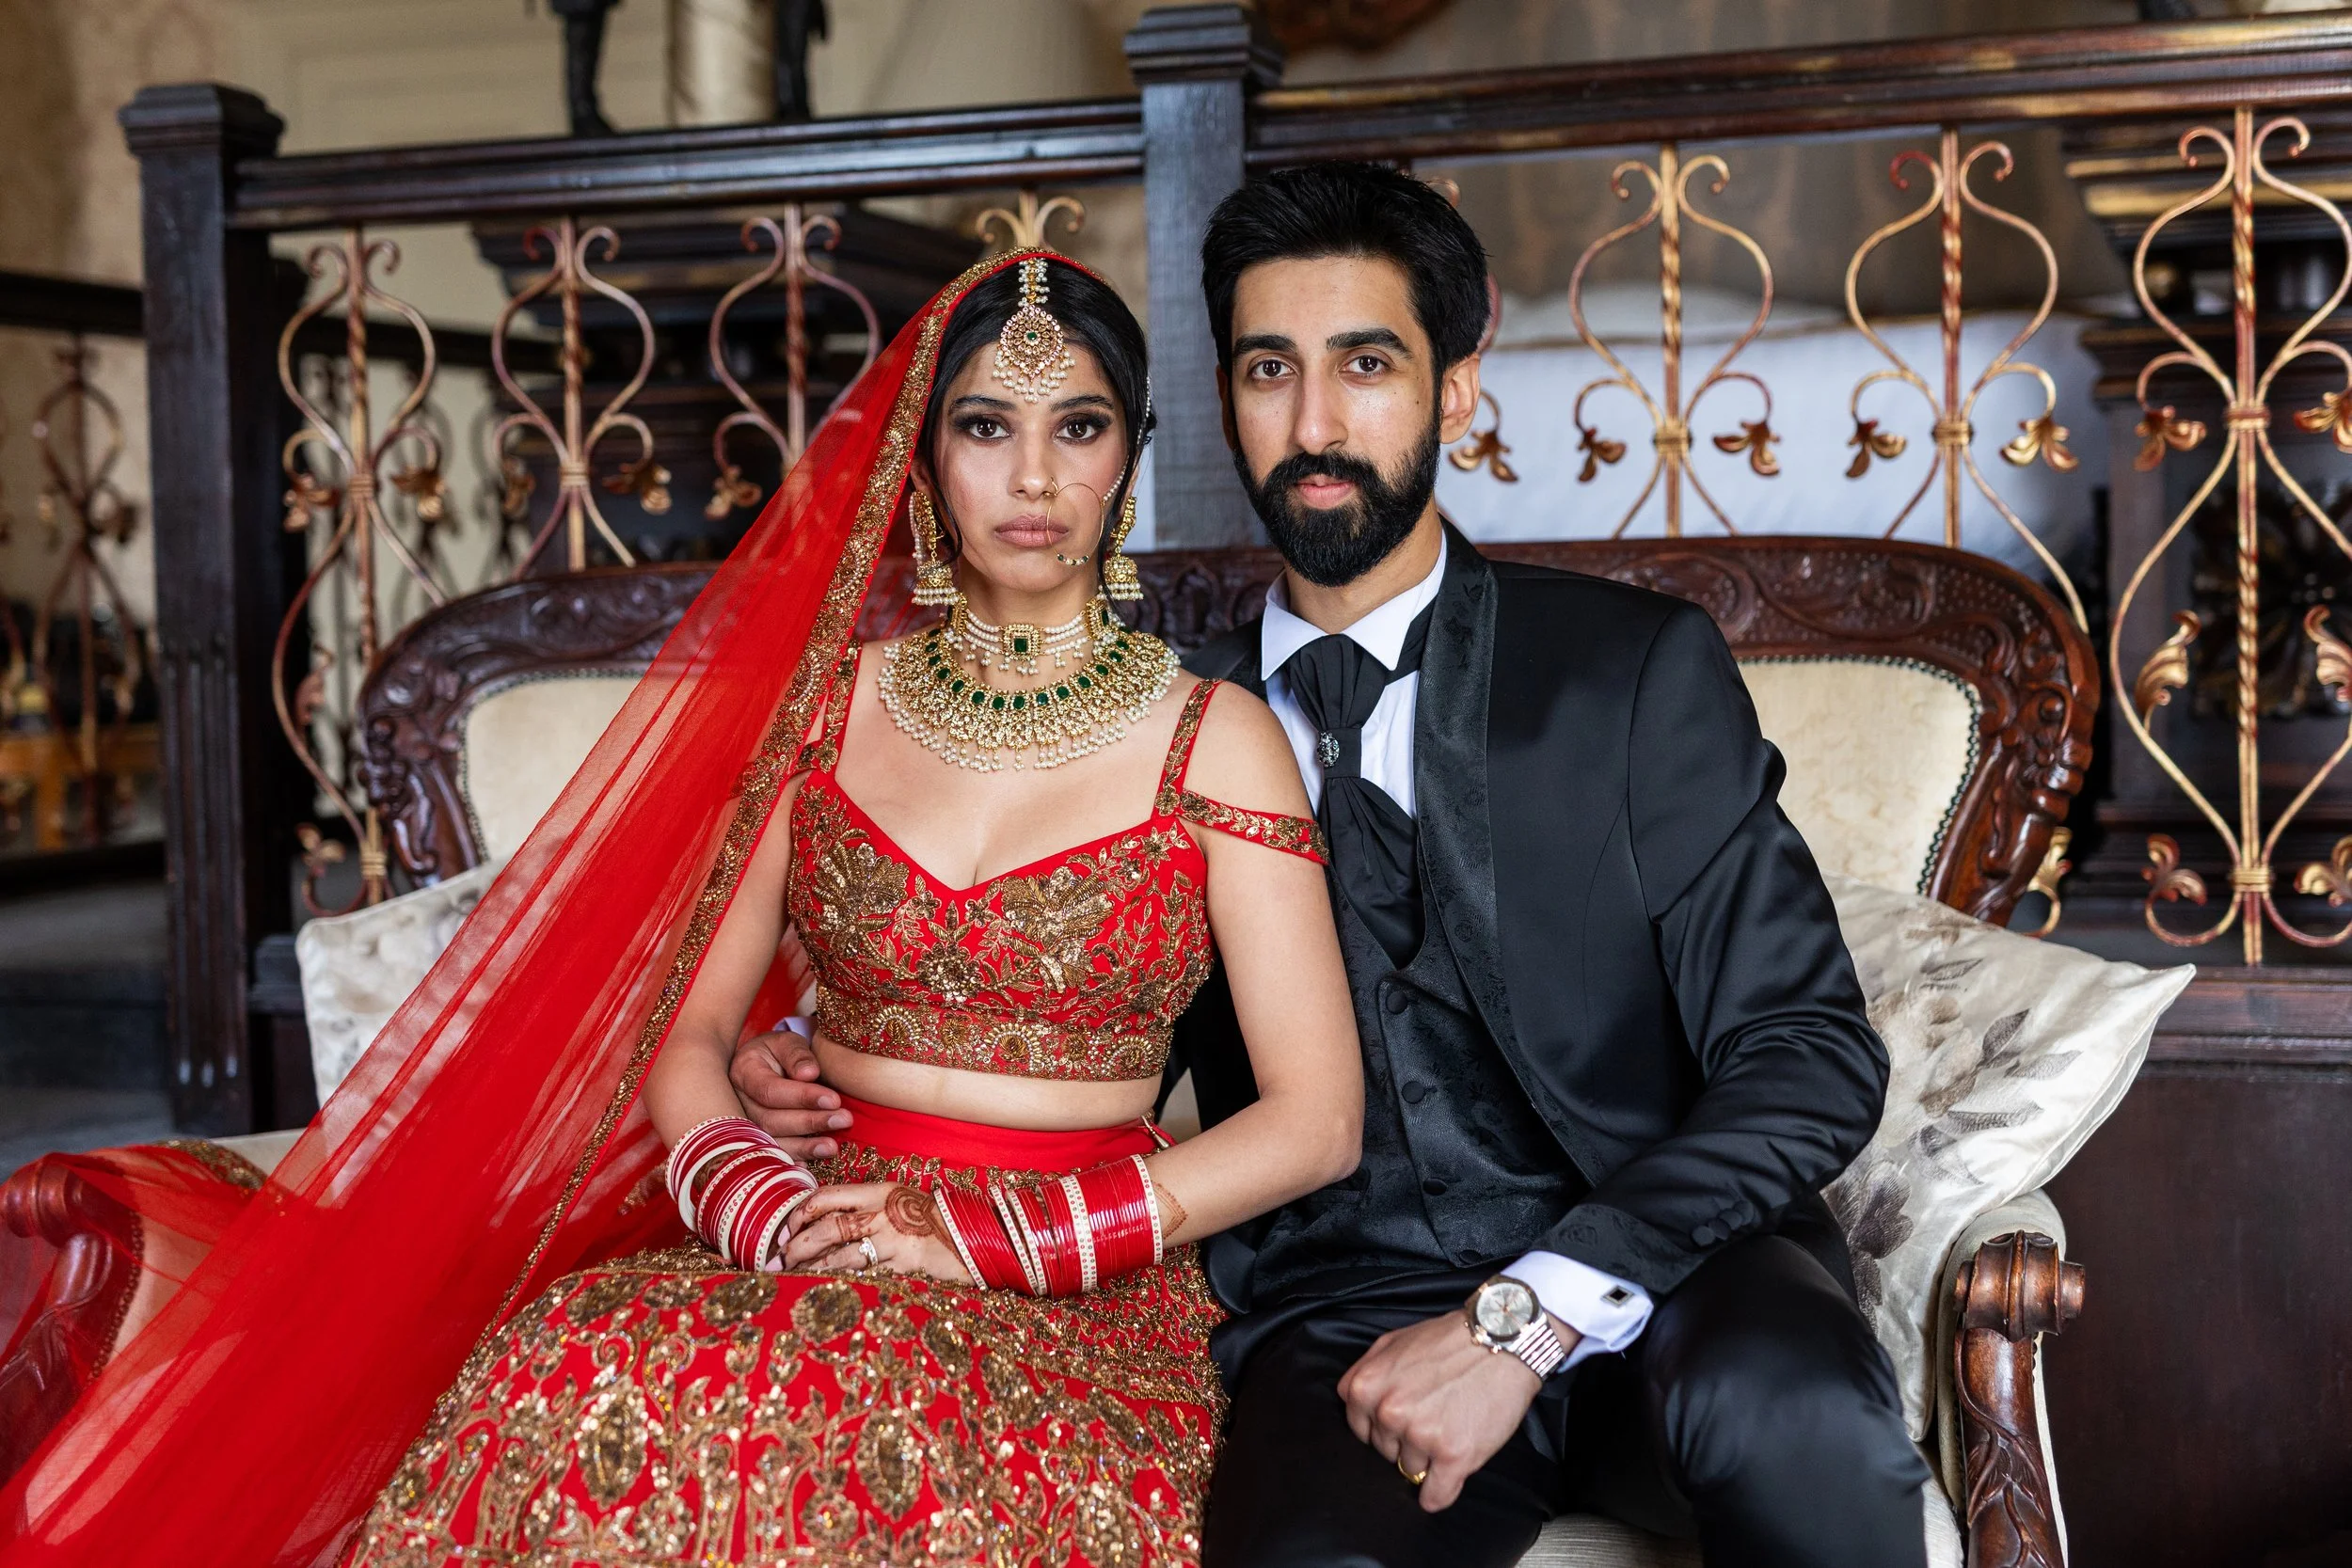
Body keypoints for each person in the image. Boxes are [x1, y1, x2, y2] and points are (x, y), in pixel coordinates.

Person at [0, 252, 1362, 1568]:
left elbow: (1317, 1120)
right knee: (573, 1365)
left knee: (873, 1439)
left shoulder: (1215, 737)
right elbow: (688, 1029)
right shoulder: (823, 709)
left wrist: (1000, 1241)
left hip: (1067, 1279)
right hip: (806, 1230)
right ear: (924, 457)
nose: (1035, 477)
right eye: (986, 426)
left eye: (1079, 426)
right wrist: (754, 1202)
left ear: (1131, 451)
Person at [738, 165, 1930, 1565]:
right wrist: (804, 1050)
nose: (1313, 425)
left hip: (1673, 1273)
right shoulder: (1154, 722)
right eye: (1269, 371)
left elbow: (1808, 1054)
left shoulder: (1627, 674)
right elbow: (1055, 995)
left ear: (1456, 390)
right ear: (1221, 403)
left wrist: (1528, 1314)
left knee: (1793, 1415)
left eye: (1366, 365)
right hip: (1335, 1306)